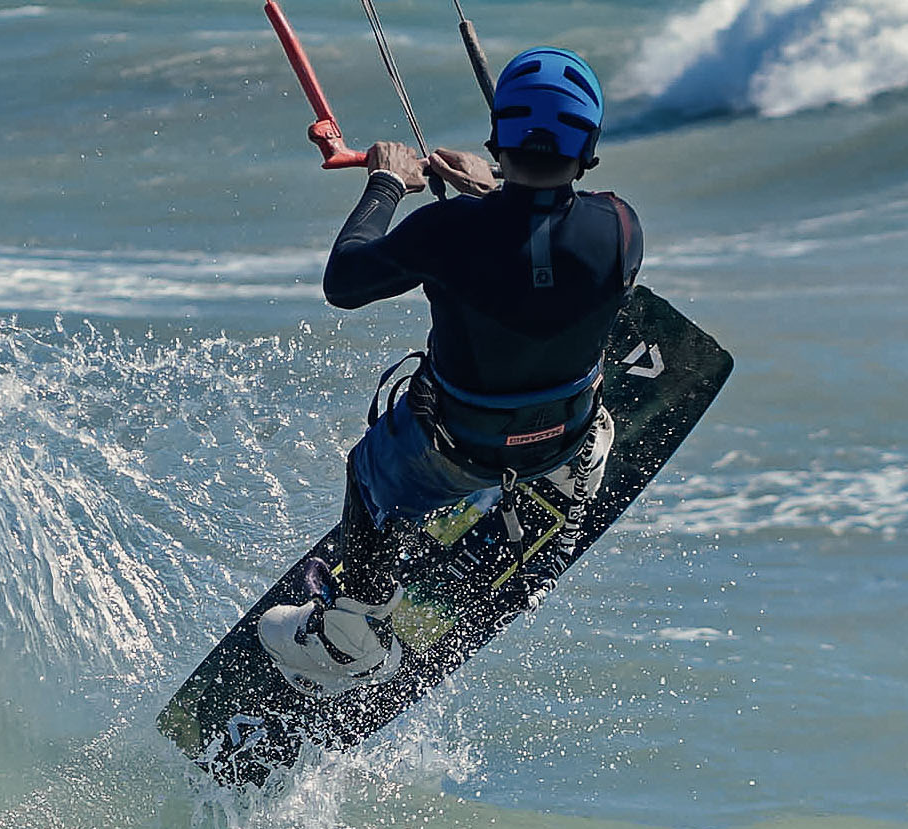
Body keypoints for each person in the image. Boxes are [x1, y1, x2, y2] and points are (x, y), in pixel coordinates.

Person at [259, 46, 644, 696]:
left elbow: (344, 282)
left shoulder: (445, 231)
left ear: (498, 139)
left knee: (369, 465)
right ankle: (576, 461)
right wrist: (495, 194)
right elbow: (537, 251)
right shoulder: (622, 226)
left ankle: (349, 631)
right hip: (564, 435)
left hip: (457, 452)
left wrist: (386, 183)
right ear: (590, 148)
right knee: (570, 365)